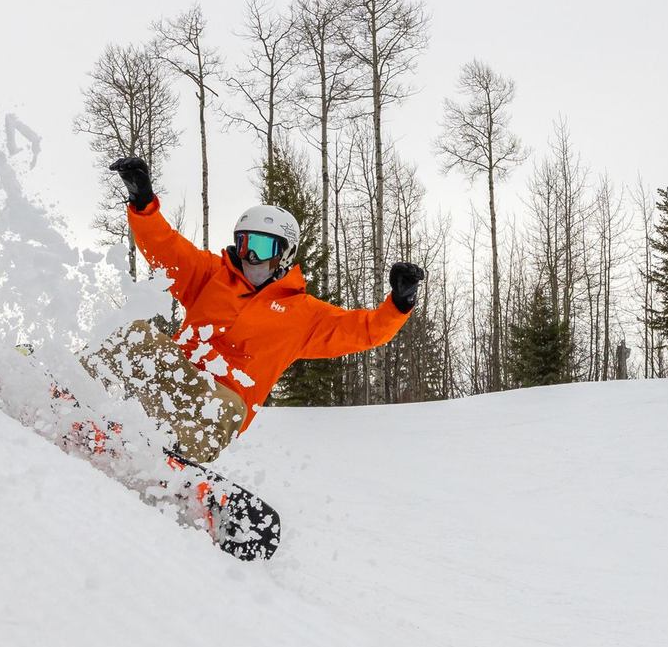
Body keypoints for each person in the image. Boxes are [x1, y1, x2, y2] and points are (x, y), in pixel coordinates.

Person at [88, 155, 423, 461]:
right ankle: (72, 391)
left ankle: (175, 461)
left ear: (285, 253)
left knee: (230, 406)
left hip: (221, 402)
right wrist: (143, 203)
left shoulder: (303, 314)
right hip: (176, 376)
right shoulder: (211, 276)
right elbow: (166, 249)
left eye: (261, 246)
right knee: (136, 336)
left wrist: (398, 303)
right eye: (244, 243)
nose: (249, 255)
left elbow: (364, 331)